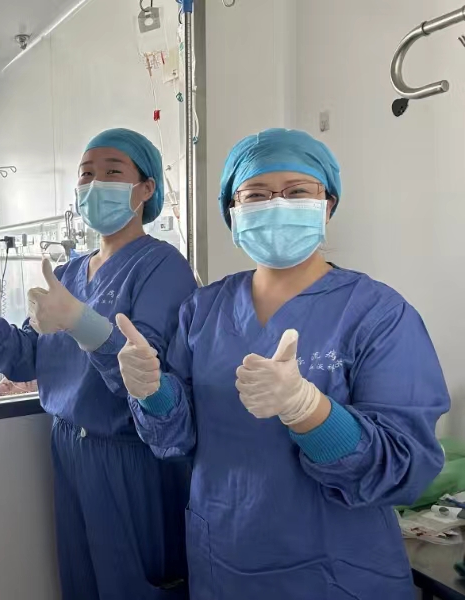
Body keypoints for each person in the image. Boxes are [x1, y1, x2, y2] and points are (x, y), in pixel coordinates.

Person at [115, 128, 450, 600]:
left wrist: (309, 411)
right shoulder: (203, 310)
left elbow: (405, 466)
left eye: (297, 192)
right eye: (255, 194)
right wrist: (153, 392)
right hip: (224, 559)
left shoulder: (378, 314)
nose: (277, 204)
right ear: (232, 212)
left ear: (328, 205)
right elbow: (180, 438)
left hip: (337, 570)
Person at [0, 128, 197, 600]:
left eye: (112, 172)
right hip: (68, 447)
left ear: (146, 188)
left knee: (134, 585)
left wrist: (79, 321)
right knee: (83, 582)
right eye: (86, 174)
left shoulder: (161, 266)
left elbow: (142, 374)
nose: (95, 184)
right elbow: (27, 356)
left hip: (129, 455)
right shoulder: (70, 272)